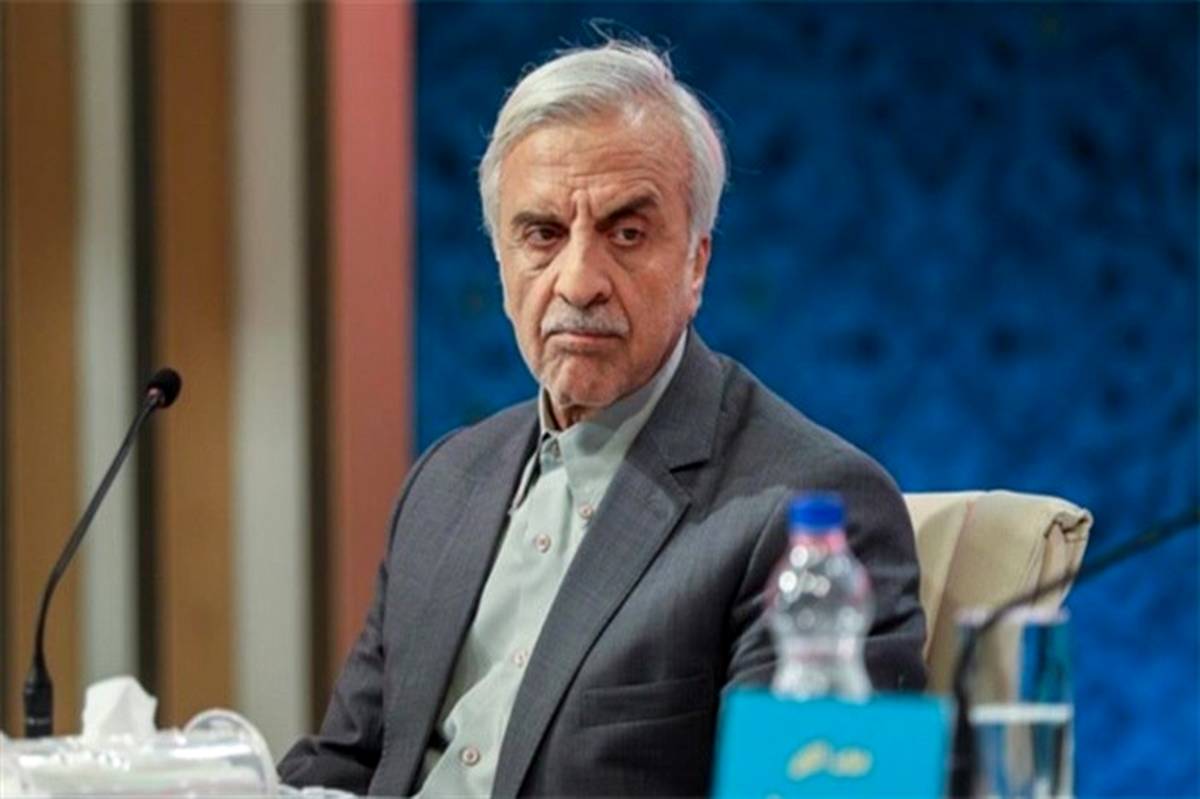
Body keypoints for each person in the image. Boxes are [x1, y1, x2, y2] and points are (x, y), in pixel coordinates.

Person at [279, 40, 926, 798]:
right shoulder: (445, 482)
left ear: (697, 264)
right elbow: (345, 764)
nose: (579, 281)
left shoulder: (815, 511)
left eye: (626, 234)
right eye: (542, 235)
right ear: (501, 262)